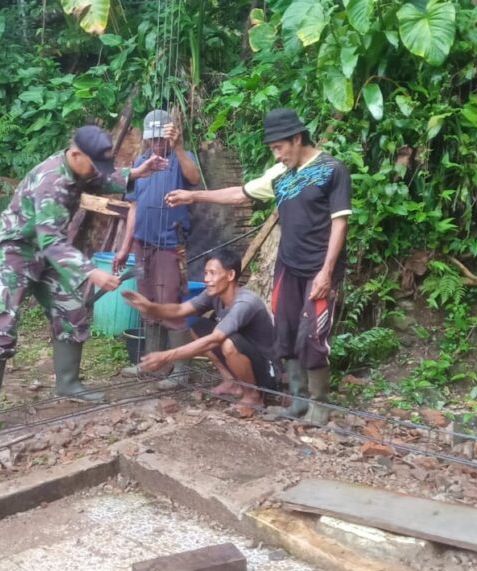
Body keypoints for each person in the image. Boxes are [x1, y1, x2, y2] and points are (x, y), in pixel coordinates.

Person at [0, 125, 168, 433]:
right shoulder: (51, 181)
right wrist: (91, 271)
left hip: (49, 252)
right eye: (92, 163)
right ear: (76, 153)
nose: (94, 170)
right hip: (15, 252)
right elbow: (51, 240)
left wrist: (136, 173)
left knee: (73, 308)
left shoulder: (80, 167)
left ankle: (67, 383)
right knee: (5, 324)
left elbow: (103, 179)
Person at [165, 108, 351, 420]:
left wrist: (327, 272)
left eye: (279, 147)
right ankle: (298, 400)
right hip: (288, 266)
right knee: (287, 332)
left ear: (296, 138)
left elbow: (340, 224)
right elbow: (239, 194)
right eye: (273, 150)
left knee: (312, 336)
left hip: (319, 269)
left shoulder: (333, 170)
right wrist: (195, 197)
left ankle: (320, 405)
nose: (277, 155)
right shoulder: (279, 175)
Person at [122, 249, 278, 413]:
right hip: (244, 358)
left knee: (228, 344)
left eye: (212, 273)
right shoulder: (214, 295)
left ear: (231, 275)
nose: (206, 279)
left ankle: (253, 397)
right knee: (198, 326)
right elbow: (179, 310)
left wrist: (166, 355)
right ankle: (231, 382)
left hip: (266, 372)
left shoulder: (246, 302)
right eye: (206, 273)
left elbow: (214, 340)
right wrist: (151, 307)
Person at [113, 109, 201, 389]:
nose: (157, 144)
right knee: (148, 303)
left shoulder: (179, 160)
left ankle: (180, 370)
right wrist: (125, 247)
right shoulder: (141, 163)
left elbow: (195, 179)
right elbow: (134, 208)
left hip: (170, 245)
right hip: (143, 244)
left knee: (170, 304)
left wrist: (178, 148)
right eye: (153, 139)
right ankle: (154, 364)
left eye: (161, 139)